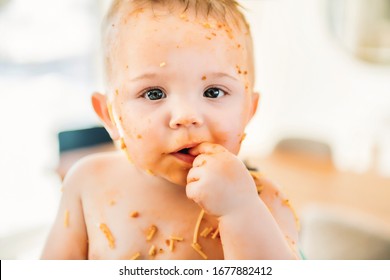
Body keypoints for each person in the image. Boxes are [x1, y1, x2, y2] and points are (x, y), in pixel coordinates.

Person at [41, 0, 300, 260]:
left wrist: (240, 211)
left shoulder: (264, 201)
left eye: (213, 91)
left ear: (248, 111)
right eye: (154, 93)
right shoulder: (87, 184)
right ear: (110, 115)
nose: (186, 116)